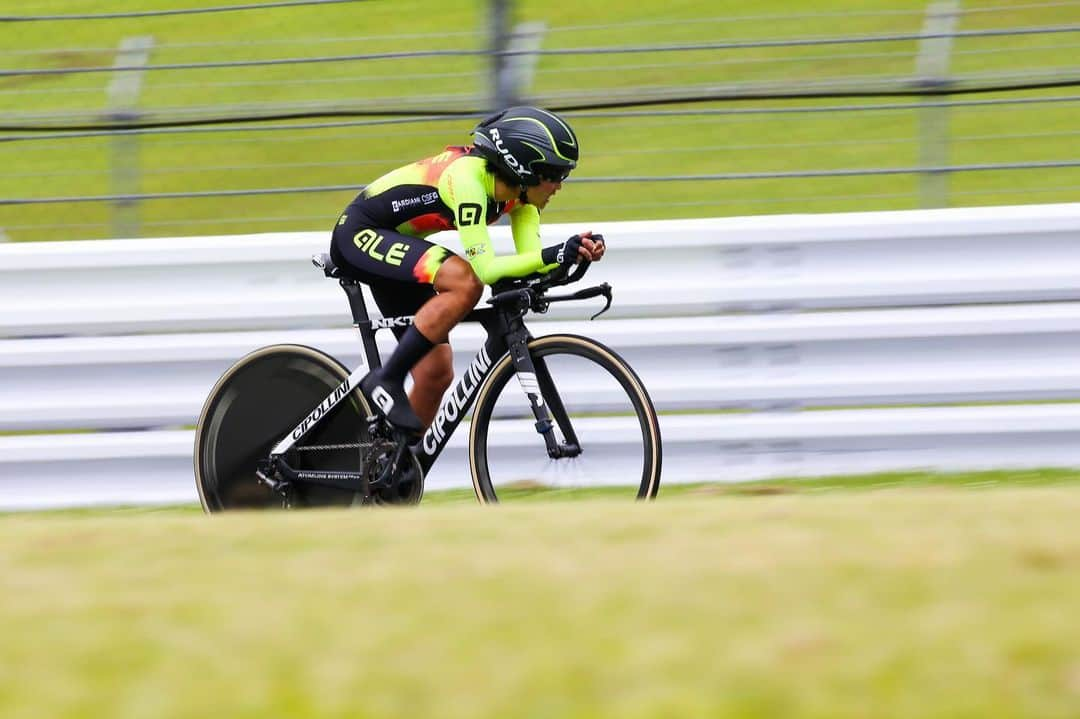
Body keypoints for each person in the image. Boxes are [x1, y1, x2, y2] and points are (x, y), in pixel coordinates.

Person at [329, 106, 605, 437]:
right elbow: (486, 269)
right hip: (360, 234)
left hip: (399, 245)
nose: (559, 187)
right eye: (556, 176)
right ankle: (387, 379)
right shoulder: (468, 180)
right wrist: (557, 253)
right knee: (464, 281)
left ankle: (394, 469)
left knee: (435, 373)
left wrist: (571, 255)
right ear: (526, 171)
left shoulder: (521, 200)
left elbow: (531, 260)